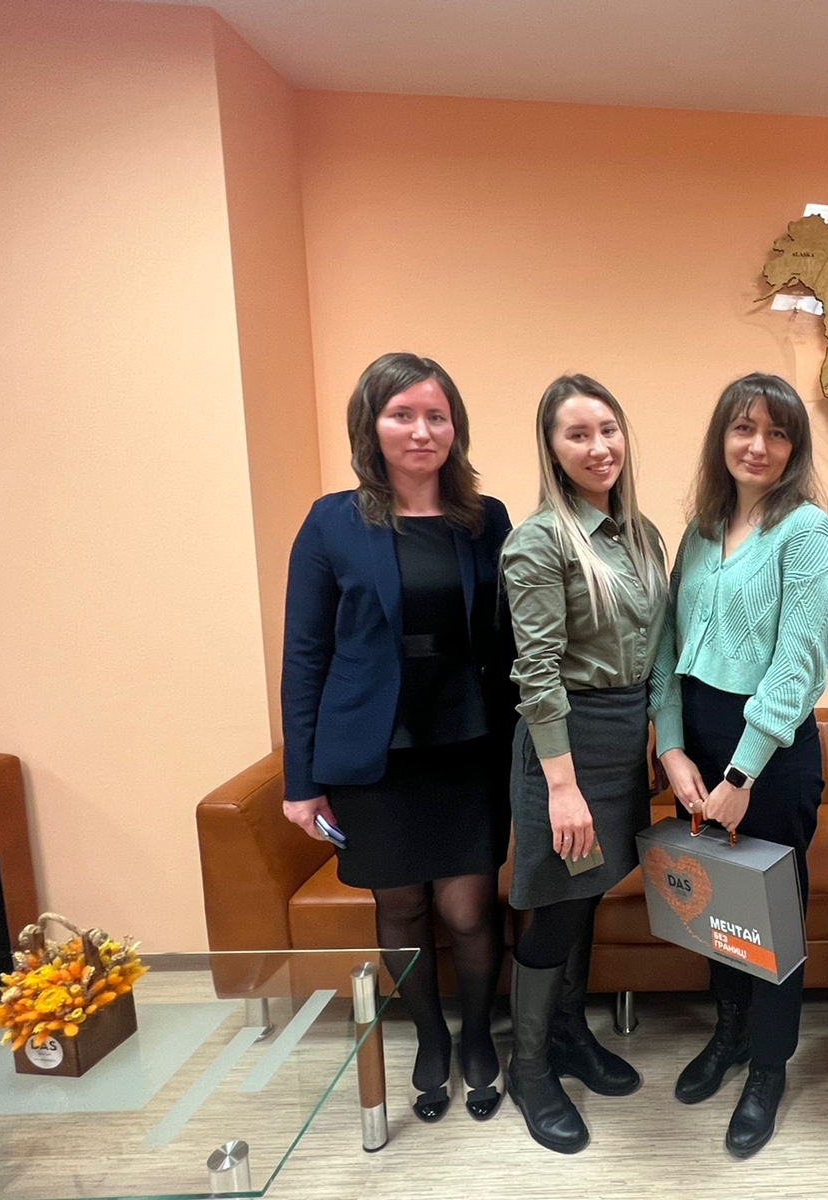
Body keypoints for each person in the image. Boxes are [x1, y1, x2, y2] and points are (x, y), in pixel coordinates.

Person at [281, 352, 514, 1125]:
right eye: (402, 415)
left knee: (470, 911)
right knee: (402, 908)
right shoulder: (332, 522)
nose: (421, 430)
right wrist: (300, 782)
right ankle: (430, 1037)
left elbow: (513, 639)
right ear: (371, 426)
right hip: (375, 757)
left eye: (436, 416)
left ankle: (476, 1034)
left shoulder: (486, 520)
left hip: (467, 746)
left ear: (456, 428)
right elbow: (305, 654)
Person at [653, 373, 828, 1159]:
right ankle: (728, 1032)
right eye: (742, 428)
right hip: (694, 749)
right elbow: (666, 650)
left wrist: (740, 776)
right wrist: (669, 748)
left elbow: (799, 663)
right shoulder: (699, 531)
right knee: (714, 903)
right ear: (721, 438)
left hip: (769, 756)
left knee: (771, 915)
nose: (757, 445)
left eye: (776, 432)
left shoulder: (806, 530)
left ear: (794, 447)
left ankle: (768, 1065)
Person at [500, 374, 671, 1155]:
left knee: (590, 893)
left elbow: (657, 651)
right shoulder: (539, 541)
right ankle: (529, 1067)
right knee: (558, 906)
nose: (598, 447)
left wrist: (657, 740)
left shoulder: (641, 535)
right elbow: (536, 674)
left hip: (621, 738)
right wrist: (562, 789)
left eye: (608, 429)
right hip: (564, 744)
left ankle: (568, 1034)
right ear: (552, 448)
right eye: (577, 434)